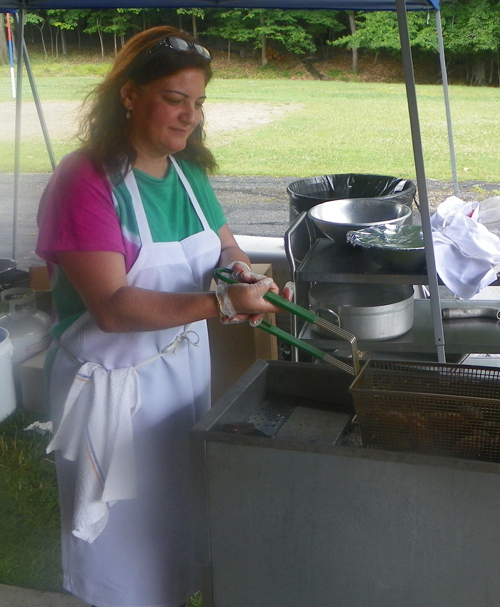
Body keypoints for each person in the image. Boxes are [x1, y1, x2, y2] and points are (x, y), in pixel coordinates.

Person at [36, 25, 289, 607]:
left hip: (179, 380)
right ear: (129, 94)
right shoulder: (87, 180)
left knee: (175, 526)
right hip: (111, 391)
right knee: (122, 552)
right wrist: (222, 305)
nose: (190, 117)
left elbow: (227, 250)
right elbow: (113, 309)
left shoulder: (188, 174)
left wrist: (240, 274)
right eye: (175, 99)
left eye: (198, 103)